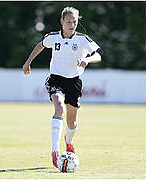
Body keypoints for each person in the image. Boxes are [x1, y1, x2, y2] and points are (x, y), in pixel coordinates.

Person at [22, 7, 101, 168]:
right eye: (68, 21)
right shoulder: (53, 38)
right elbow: (40, 45)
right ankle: (55, 151)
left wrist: (87, 60)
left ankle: (69, 141)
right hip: (56, 79)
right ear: (62, 22)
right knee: (59, 106)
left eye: (74, 21)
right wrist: (28, 62)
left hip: (74, 82)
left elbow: (98, 55)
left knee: (71, 123)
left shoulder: (82, 39)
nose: (72, 24)